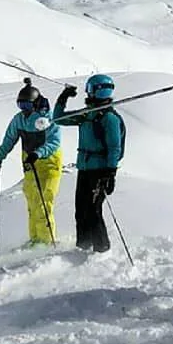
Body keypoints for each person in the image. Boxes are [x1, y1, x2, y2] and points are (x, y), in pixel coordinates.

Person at [54, 73, 125, 252]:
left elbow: (114, 148)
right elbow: (58, 118)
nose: (87, 94)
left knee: (93, 210)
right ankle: (83, 246)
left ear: (96, 91)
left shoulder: (109, 118)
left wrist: (110, 173)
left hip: (99, 171)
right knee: (81, 210)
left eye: (90, 90)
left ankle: (101, 248)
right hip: (85, 169)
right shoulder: (87, 115)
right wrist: (63, 98)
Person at [0, 78, 63, 245]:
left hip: (49, 164)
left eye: (27, 106)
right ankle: (35, 240)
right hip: (30, 164)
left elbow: (54, 142)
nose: (24, 110)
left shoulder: (48, 118)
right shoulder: (19, 120)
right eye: (21, 106)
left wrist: (38, 153)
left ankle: (46, 242)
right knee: (32, 202)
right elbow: (9, 140)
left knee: (43, 203)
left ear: (36, 103)